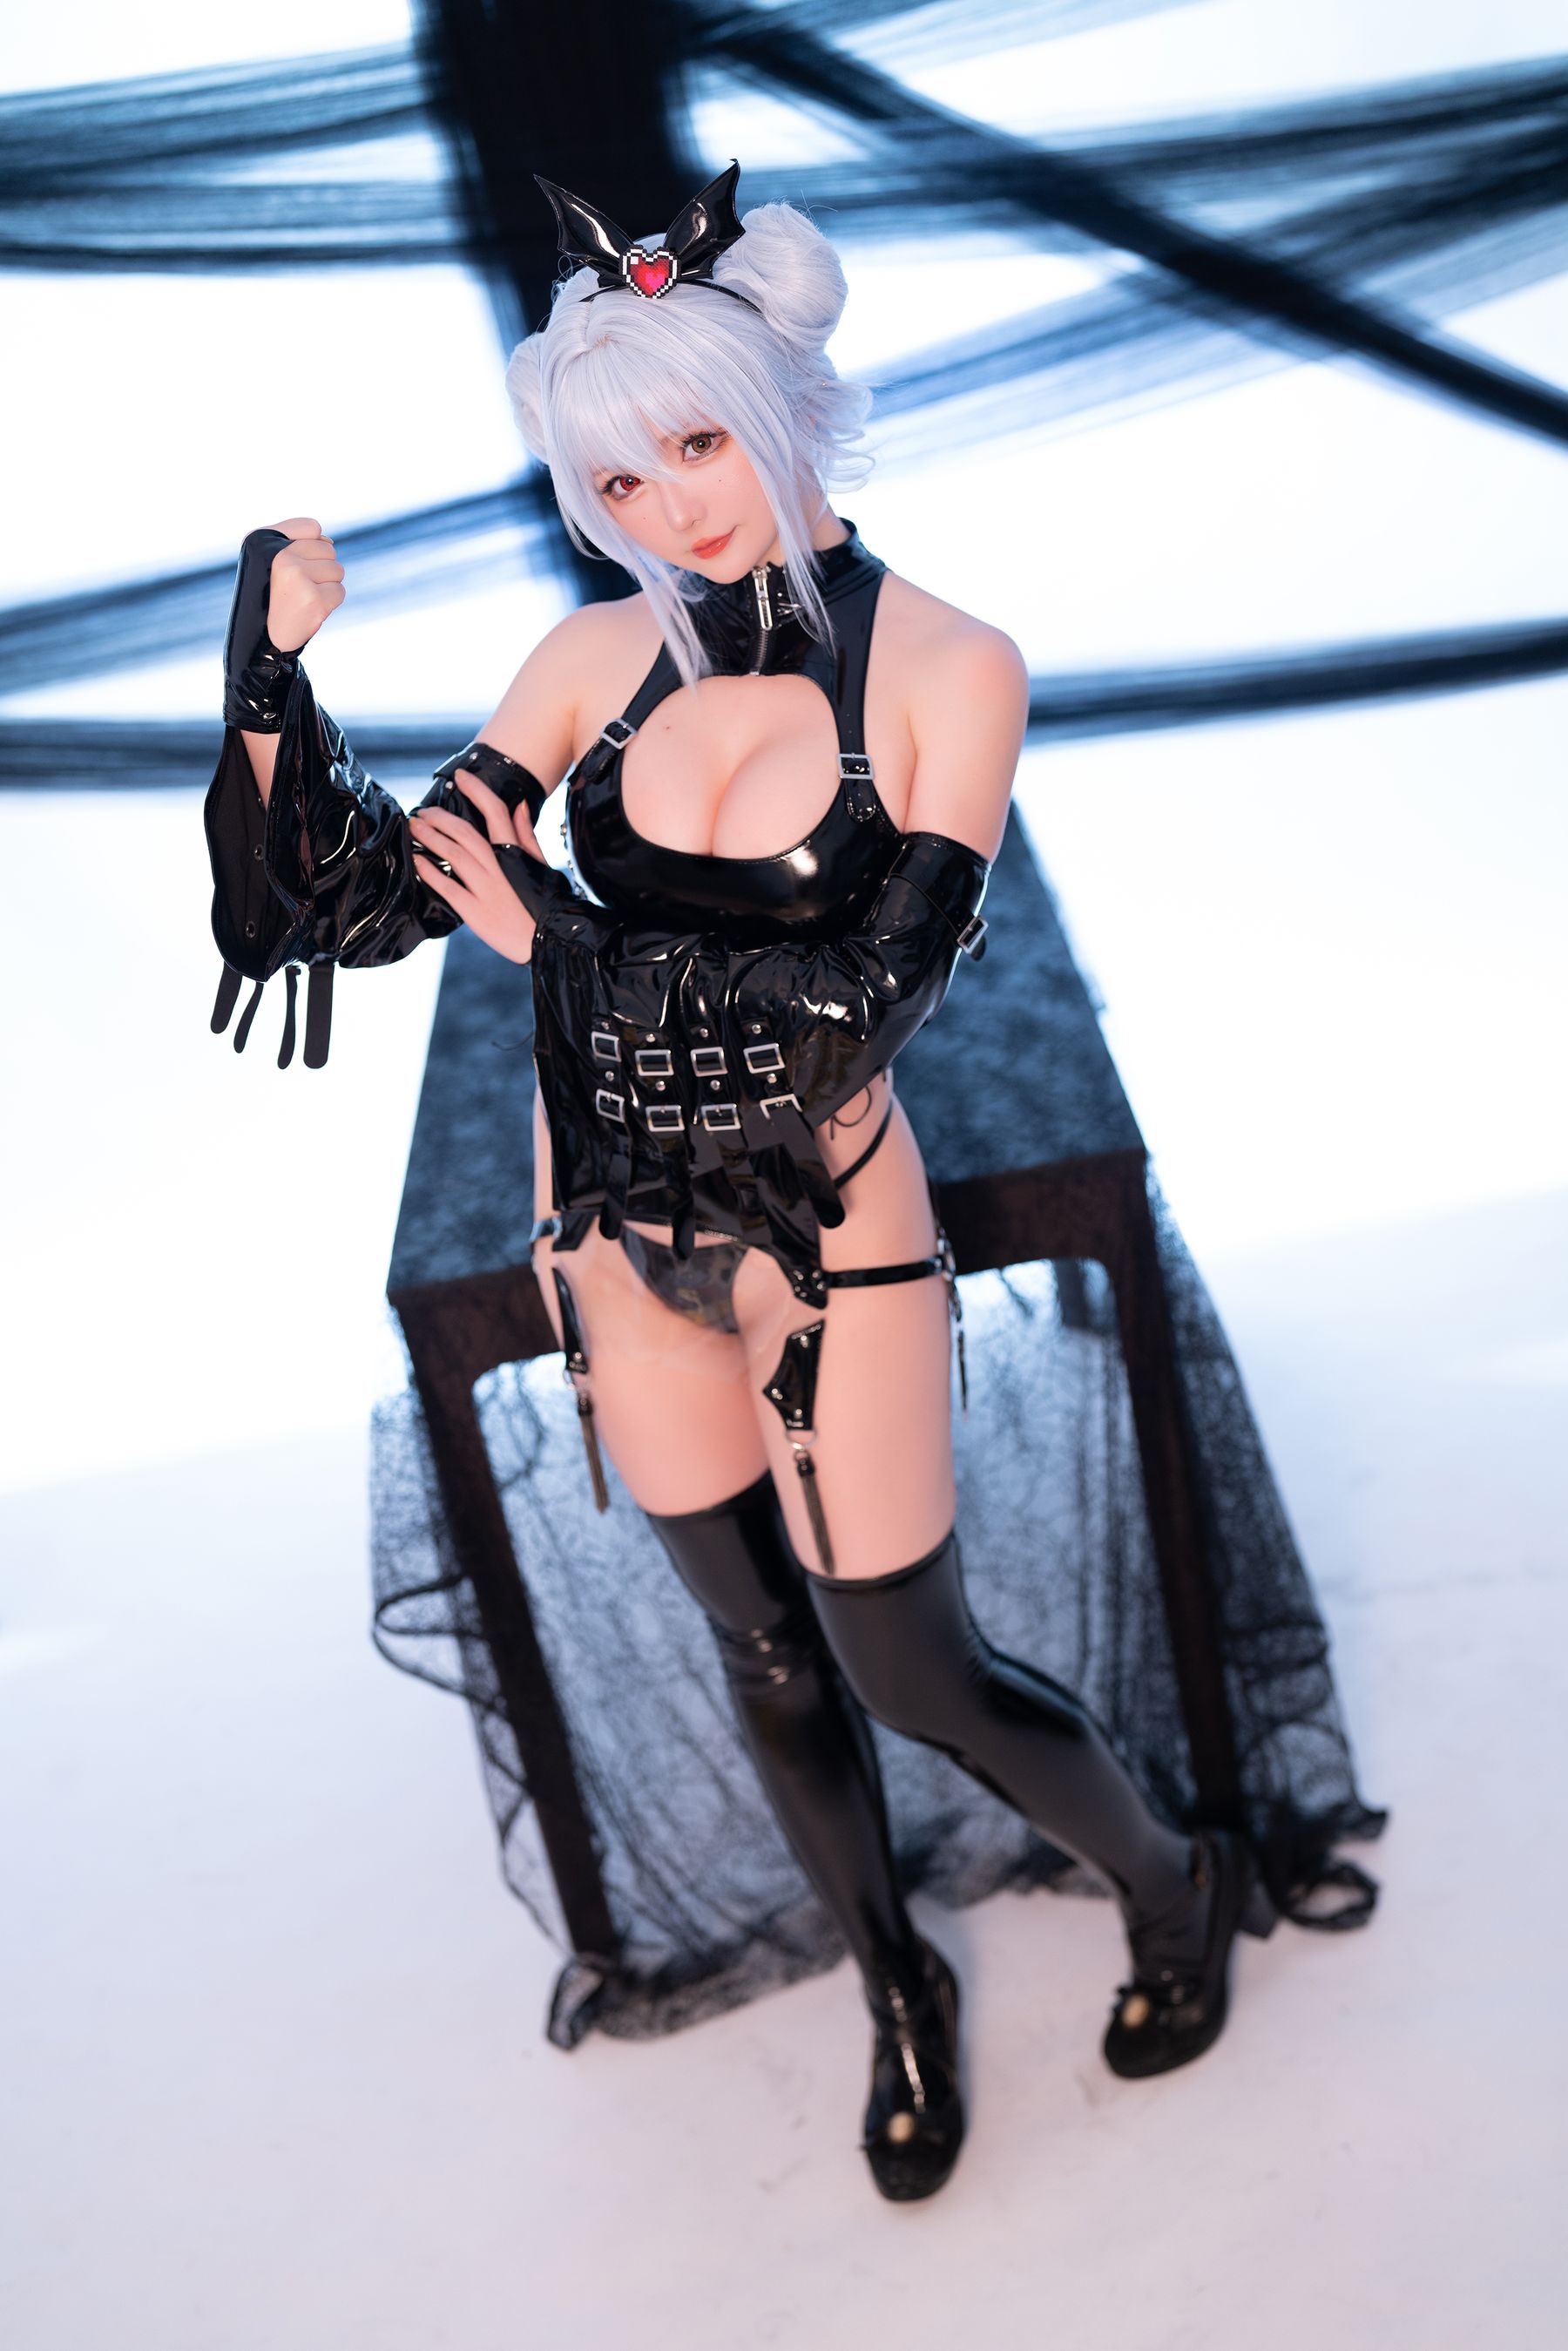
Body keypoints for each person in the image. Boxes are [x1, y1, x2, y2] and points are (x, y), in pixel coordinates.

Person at [205, 161, 1275, 2204]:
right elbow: (333, 913)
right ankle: (896, 1985)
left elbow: (859, 1009)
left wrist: (555, 935)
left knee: (906, 1664)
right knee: (762, 1654)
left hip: (832, 1240)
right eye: (620, 478)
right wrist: (270, 682)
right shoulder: (588, 662)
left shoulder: (949, 668)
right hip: (621, 1241)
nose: (671, 507)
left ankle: (1172, 1872)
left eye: (698, 445)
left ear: (786, 404)